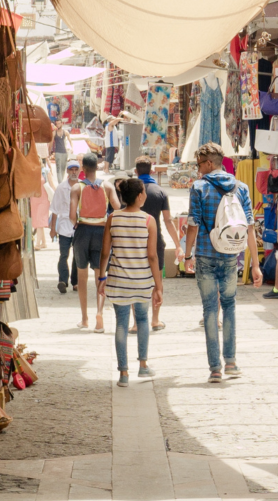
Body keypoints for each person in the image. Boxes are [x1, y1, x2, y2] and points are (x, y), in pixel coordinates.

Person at [184, 142, 262, 384]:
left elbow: (193, 225)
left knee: (210, 309)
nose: (198, 170)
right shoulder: (241, 188)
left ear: (209, 163)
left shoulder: (198, 188)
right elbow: (249, 227)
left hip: (206, 255)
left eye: (199, 165)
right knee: (229, 306)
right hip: (230, 255)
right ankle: (231, 362)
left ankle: (215, 368)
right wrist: (255, 264)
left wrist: (188, 256)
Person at [97, 178, 163, 387]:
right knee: (142, 319)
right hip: (142, 280)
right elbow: (152, 256)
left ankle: (123, 373)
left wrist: (101, 277)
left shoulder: (113, 218)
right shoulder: (148, 220)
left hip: (118, 280)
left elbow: (105, 252)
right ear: (139, 196)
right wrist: (158, 285)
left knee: (121, 324)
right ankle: (143, 365)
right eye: (143, 192)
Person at [71, 153, 121, 332]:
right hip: (101, 232)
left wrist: (78, 222)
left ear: (83, 168)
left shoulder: (77, 187)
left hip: (83, 231)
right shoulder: (107, 186)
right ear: (98, 167)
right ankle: (99, 313)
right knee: (101, 275)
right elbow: (116, 207)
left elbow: (71, 216)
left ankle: (84, 318)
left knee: (81, 276)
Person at [131, 156, 180, 332]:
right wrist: (178, 244)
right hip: (156, 241)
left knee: (135, 281)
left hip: (134, 242)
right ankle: (155, 319)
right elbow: (167, 220)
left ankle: (136, 323)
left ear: (136, 171)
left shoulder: (130, 191)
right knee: (156, 280)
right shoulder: (160, 192)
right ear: (152, 170)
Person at [49, 160, 82, 294]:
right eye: (71, 169)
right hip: (63, 226)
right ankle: (62, 280)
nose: (73, 172)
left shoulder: (82, 187)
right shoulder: (61, 187)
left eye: (76, 169)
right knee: (64, 255)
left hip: (79, 225)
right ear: (67, 171)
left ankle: (75, 282)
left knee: (77, 256)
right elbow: (55, 209)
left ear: (79, 171)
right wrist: (53, 229)